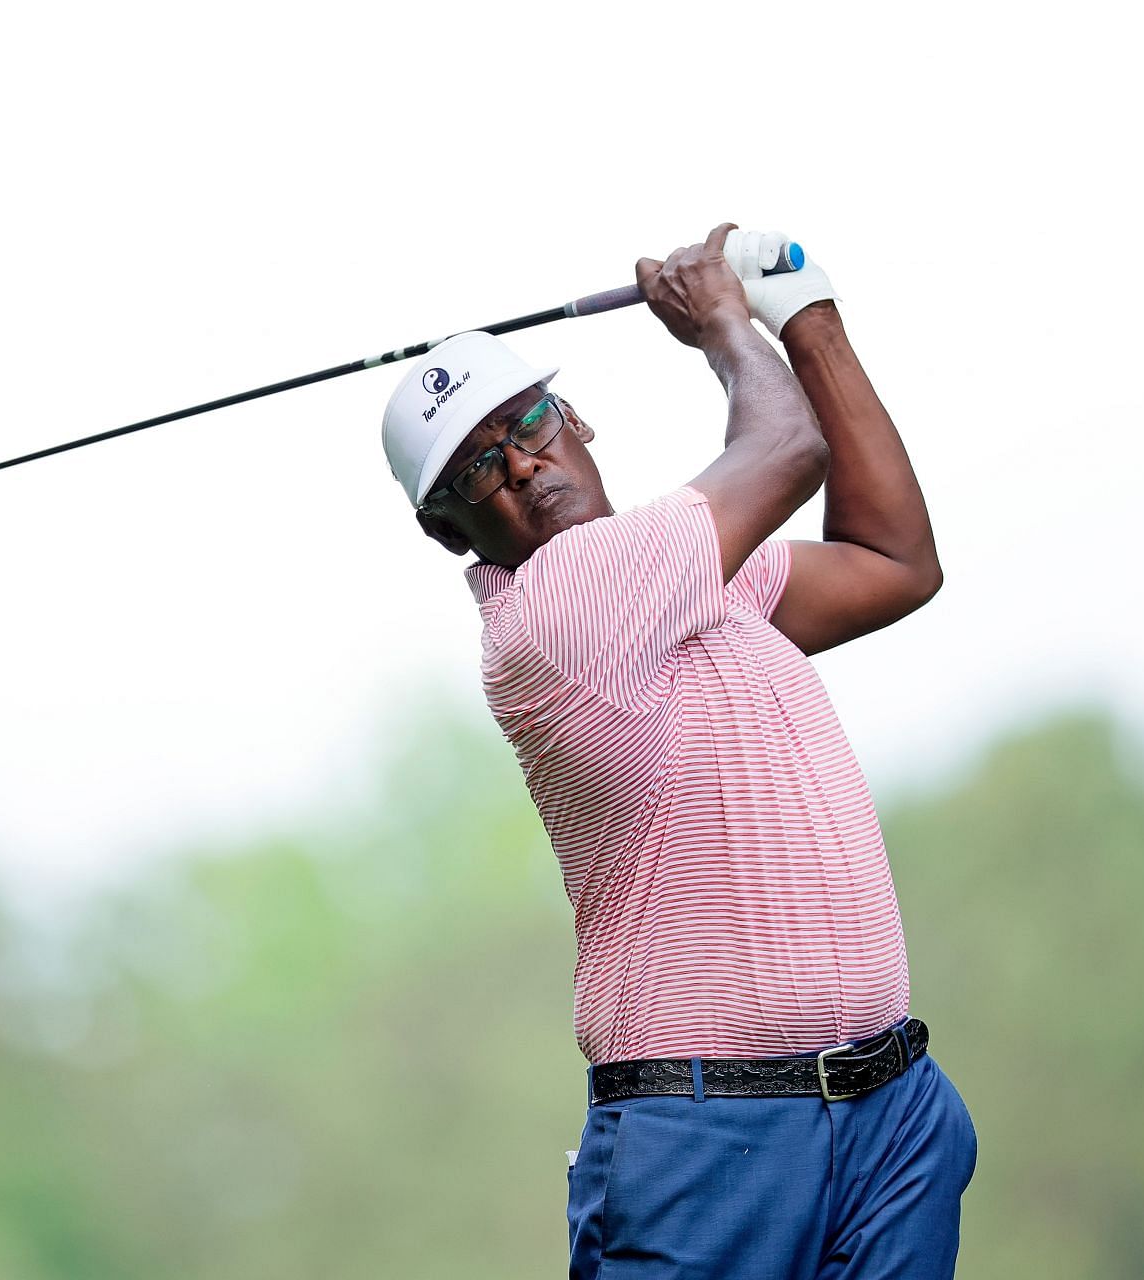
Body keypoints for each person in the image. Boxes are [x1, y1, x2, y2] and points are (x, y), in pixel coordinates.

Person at [379, 223, 976, 1278]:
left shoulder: (701, 573)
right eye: (480, 467)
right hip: (710, 1142)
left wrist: (811, 317)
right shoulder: (556, 611)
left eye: (528, 422)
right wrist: (725, 326)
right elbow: (786, 450)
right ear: (450, 531)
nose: (523, 463)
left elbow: (893, 559)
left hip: (890, 1114)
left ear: (576, 419)